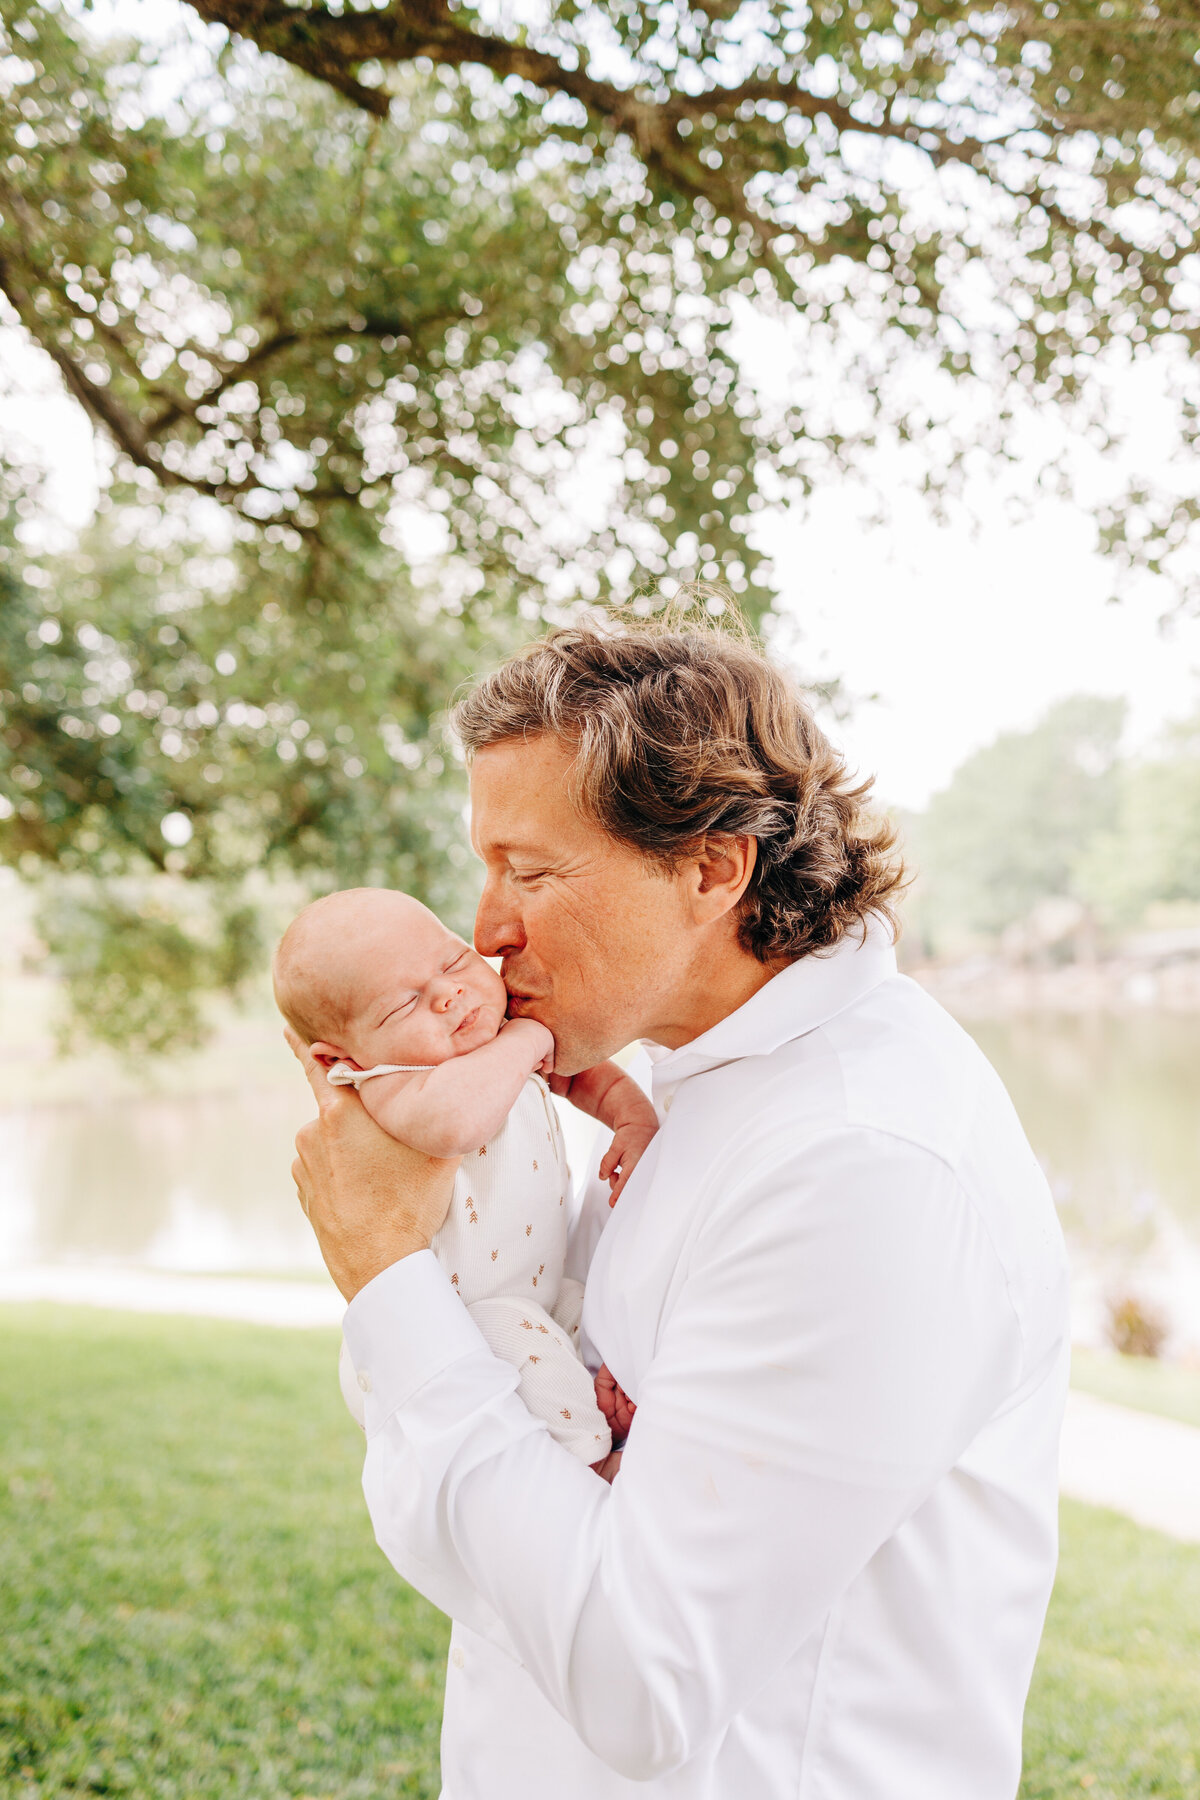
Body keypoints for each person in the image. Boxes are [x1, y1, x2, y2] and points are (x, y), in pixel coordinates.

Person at [288, 619, 1070, 1800]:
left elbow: (640, 1683)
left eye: (532, 871)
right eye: (485, 869)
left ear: (711, 870)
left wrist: (387, 1280)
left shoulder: (860, 1163)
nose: (487, 931)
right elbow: (496, 1517)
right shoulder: (685, 1082)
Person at [272, 886, 655, 1462]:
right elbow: (456, 1123)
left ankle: (599, 1401)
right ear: (340, 1059)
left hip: (539, 1296)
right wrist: (529, 1038)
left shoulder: (495, 1033)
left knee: (588, 1313)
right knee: (528, 1349)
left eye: (452, 961)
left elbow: (580, 1076)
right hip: (470, 1316)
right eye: (404, 1005)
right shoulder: (391, 1082)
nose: (449, 995)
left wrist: (631, 1117)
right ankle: (593, 1463)